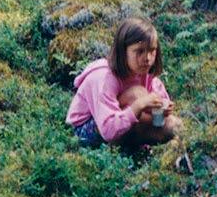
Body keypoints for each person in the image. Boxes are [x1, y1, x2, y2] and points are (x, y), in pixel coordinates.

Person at [65, 16, 182, 151]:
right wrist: (139, 105)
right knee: (136, 94)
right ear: (123, 50)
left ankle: (136, 145)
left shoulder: (147, 75)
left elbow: (159, 116)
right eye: (139, 51)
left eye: (152, 50)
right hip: (87, 130)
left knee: (173, 124)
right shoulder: (104, 77)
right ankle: (131, 145)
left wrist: (161, 111)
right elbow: (108, 130)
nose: (147, 58)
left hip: (122, 122)